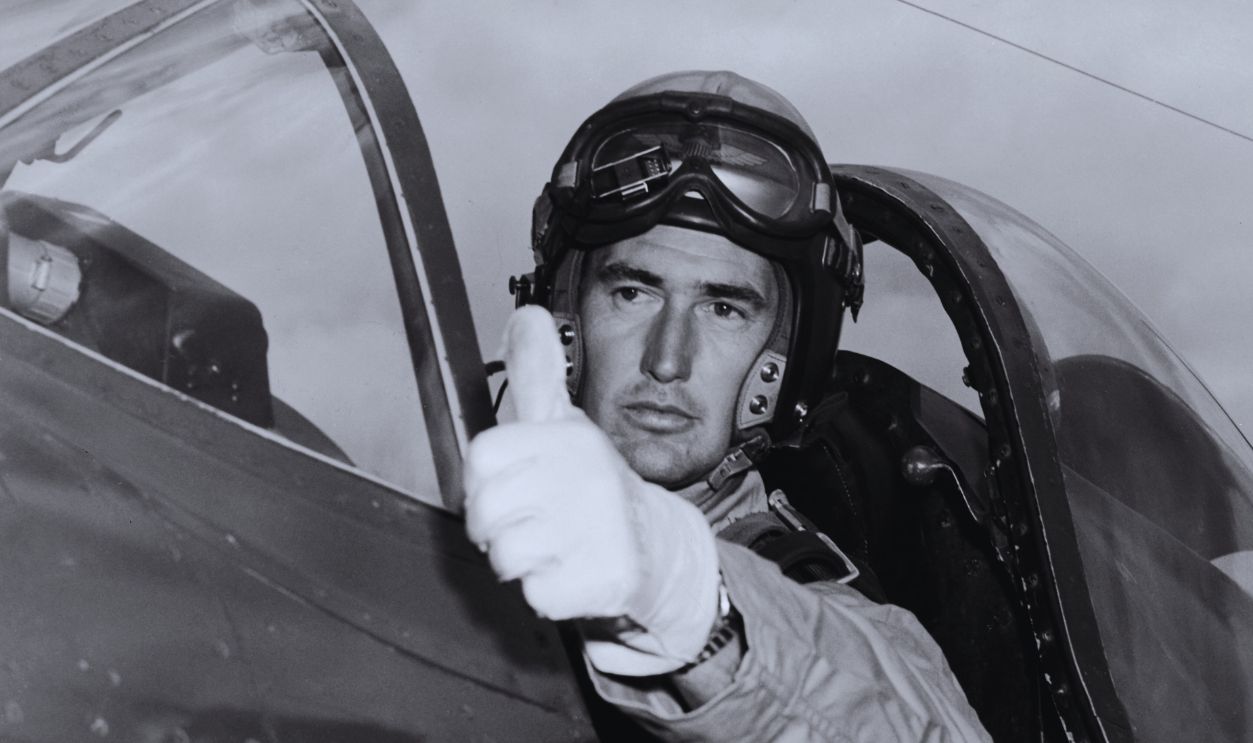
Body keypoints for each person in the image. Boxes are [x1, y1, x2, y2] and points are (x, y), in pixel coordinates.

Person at [464, 70, 991, 741]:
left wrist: (689, 609)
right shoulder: (457, 541)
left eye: (722, 308)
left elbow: (902, 720)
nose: (667, 357)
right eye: (632, 293)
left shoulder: (812, 606)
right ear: (565, 319)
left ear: (781, 362)